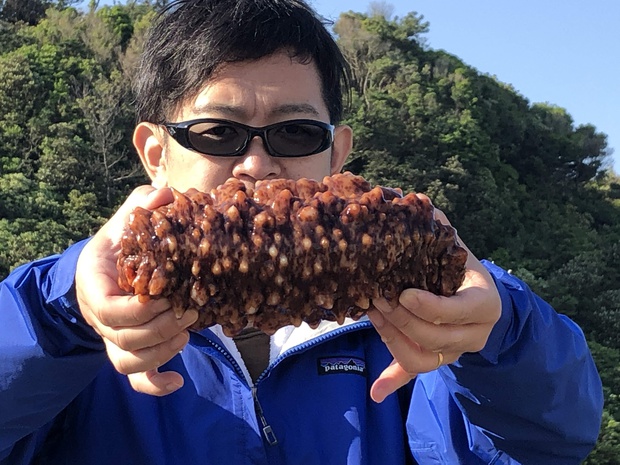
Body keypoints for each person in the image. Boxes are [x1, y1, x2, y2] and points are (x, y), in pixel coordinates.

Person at [0, 0, 603, 463]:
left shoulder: (426, 327)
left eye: (295, 134)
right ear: (154, 153)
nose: (256, 166)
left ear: (337, 155)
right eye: (217, 132)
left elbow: (551, 441)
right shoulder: (70, 337)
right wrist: (61, 311)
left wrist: (501, 332)